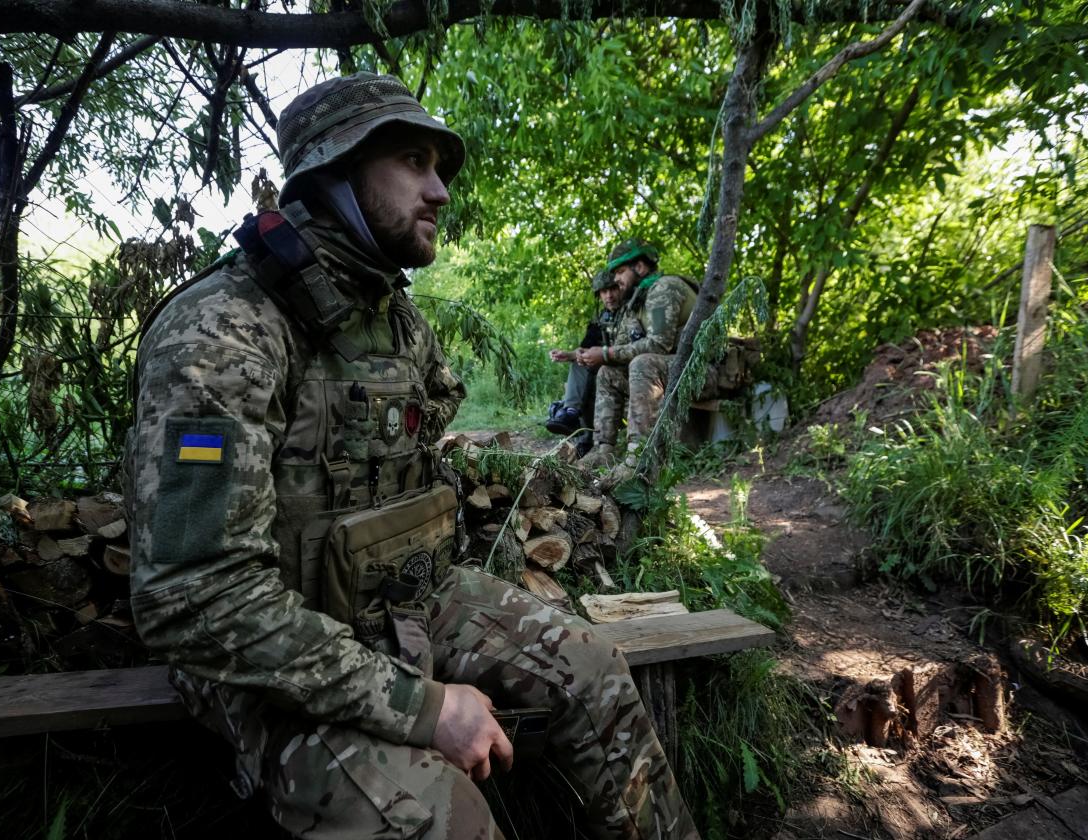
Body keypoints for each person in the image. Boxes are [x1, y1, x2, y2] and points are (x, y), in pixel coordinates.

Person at [127, 73, 698, 840]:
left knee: (594, 671)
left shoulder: (393, 319)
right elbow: (196, 598)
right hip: (270, 656)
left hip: (401, 606)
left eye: (439, 168)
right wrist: (425, 707)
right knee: (439, 818)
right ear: (334, 170)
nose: (440, 191)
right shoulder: (226, 330)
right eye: (413, 161)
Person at [576, 238, 697, 476]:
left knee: (642, 363)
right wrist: (598, 356)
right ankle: (604, 449)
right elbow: (622, 345)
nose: (616, 280)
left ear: (639, 267)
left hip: (701, 371)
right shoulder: (637, 299)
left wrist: (606, 353)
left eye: (620, 272)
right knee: (607, 372)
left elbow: (659, 344)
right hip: (672, 370)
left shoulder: (665, 288)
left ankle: (638, 455)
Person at [545, 270, 628, 440]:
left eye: (613, 289)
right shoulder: (602, 319)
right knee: (581, 363)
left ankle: (572, 417)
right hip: (608, 369)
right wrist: (567, 355)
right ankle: (572, 415)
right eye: (604, 292)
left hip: (629, 369)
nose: (609, 296)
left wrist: (602, 355)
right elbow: (584, 349)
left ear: (621, 288)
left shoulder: (631, 312)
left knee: (590, 376)